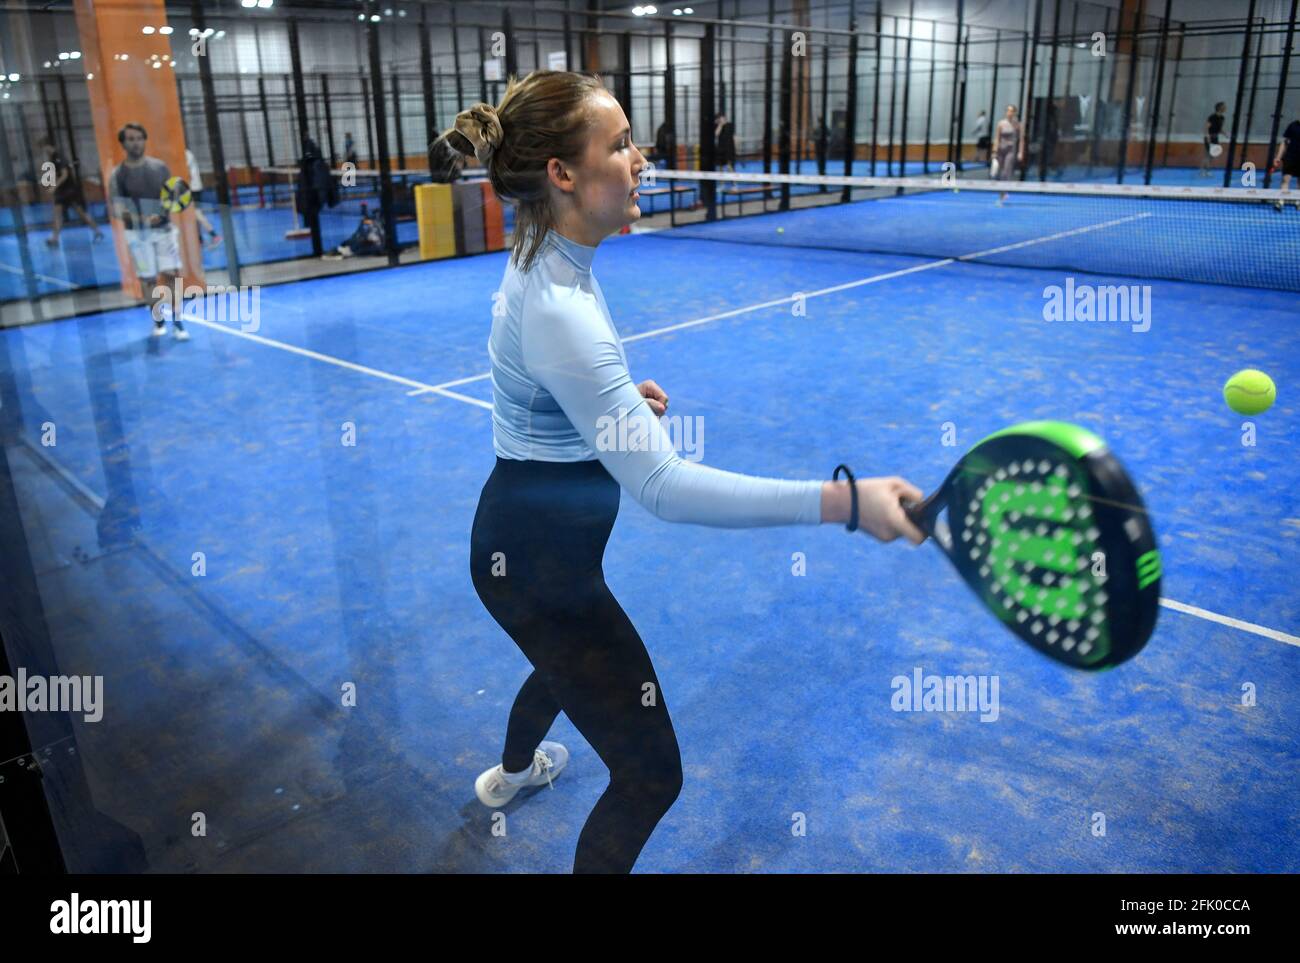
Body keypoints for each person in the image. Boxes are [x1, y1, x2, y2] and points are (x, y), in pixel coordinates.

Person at [449, 71, 926, 875]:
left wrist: (605, 403)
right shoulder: (562, 309)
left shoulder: (545, 255)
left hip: (526, 544)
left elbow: (536, 376)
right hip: (540, 568)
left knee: (563, 665)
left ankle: (511, 776)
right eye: (621, 143)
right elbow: (663, 487)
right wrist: (843, 501)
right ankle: (516, 774)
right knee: (649, 773)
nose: (642, 158)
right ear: (562, 174)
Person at [107, 123, 187, 340]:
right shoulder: (118, 175)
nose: (135, 142)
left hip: (164, 231)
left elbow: (173, 196)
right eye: (130, 139)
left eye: (139, 138)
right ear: (123, 143)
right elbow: (117, 209)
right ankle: (158, 321)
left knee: (171, 275)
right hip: (137, 236)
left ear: (145, 140)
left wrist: (171, 207)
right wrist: (140, 218)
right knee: (149, 280)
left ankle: (178, 323)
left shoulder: (160, 167)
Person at [40, 137, 103, 245]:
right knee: (57, 214)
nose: (44, 150)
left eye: (44, 147)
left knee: (81, 213)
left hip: (69, 191)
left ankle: (97, 231)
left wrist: (55, 186)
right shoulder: (52, 159)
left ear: (49, 146)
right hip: (61, 192)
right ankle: (54, 238)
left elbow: (65, 174)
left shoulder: (59, 157)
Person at [185, 148, 222, 249]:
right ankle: (199, 239)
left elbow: (187, 174)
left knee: (196, 213)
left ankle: (214, 235)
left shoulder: (185, 154)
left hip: (192, 188)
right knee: (194, 215)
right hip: (194, 187)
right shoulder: (187, 153)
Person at [993, 104, 1024, 205]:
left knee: (1006, 172)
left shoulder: (1018, 125)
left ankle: (1003, 194)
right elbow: (997, 138)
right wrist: (994, 151)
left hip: (1011, 151)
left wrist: (1020, 152)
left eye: (1012, 111)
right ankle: (1003, 191)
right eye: (1008, 110)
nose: (1010, 113)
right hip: (1001, 150)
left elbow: (1022, 140)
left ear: (1015, 113)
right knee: (1000, 173)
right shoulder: (1001, 124)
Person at [1273, 116, 1300, 212]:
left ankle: (1298, 201)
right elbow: (1284, 143)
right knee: (1285, 179)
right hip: (1290, 157)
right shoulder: (1293, 126)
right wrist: (1278, 157)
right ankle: (1281, 201)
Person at [1201, 102, 1227, 178]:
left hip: (1215, 137)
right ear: (1219, 108)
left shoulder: (1222, 118)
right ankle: (1204, 171)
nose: (1225, 108)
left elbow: (1219, 128)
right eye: (1223, 107)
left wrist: (1224, 133)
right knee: (1208, 155)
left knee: (1212, 155)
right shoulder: (1212, 117)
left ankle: (1206, 170)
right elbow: (1207, 127)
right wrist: (1207, 137)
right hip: (1209, 137)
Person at [714, 111, 738, 184]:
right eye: (718, 119)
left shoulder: (730, 125)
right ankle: (721, 182)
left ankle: (734, 182)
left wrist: (736, 147)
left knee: (729, 165)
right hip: (721, 148)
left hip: (729, 148)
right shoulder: (717, 125)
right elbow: (716, 134)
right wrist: (720, 125)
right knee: (720, 166)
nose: (720, 120)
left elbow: (734, 137)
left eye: (721, 118)